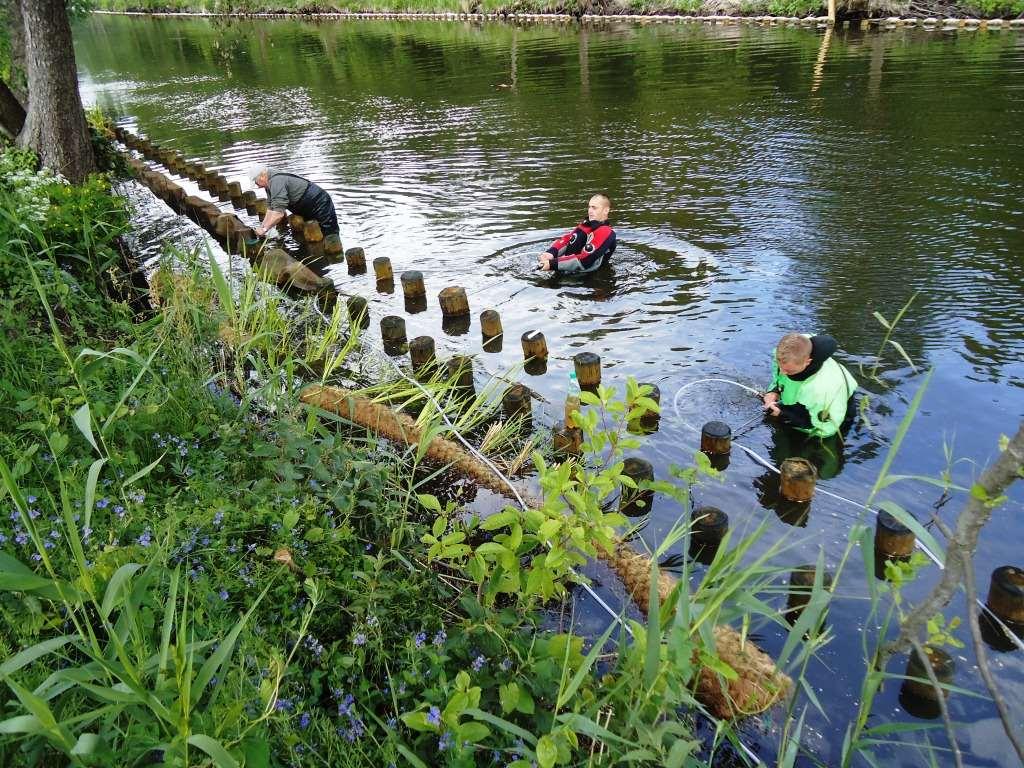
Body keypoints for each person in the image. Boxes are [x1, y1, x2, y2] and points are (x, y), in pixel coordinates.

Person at [762, 332, 858, 439]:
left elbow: (825, 430)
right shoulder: (788, 352)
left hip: (827, 415)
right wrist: (774, 390)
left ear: (808, 362)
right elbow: (778, 375)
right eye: (781, 367)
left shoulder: (822, 390)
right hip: (805, 399)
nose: (783, 372)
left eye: (789, 371)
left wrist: (784, 414)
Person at [247, 166, 340, 238]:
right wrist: (262, 227)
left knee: (329, 233)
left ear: (263, 175)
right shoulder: (269, 184)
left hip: (319, 202)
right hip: (306, 205)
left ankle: (335, 259)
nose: (258, 186)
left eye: (256, 182)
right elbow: (271, 209)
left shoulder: (276, 181)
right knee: (313, 230)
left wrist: (264, 229)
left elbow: (279, 213)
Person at [538, 194, 616, 273]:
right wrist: (550, 253)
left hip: (589, 279)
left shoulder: (605, 231)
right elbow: (569, 238)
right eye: (589, 207)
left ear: (606, 210)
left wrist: (552, 264)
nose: (590, 211)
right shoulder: (586, 226)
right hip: (570, 272)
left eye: (594, 208)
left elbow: (586, 260)